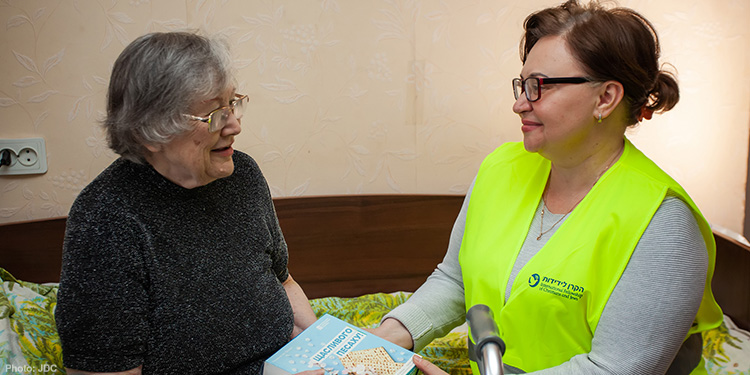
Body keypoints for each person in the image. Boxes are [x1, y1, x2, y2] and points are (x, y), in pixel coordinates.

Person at [371, 1, 723, 374]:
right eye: (522, 85)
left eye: (538, 86)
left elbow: (613, 369)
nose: (519, 104)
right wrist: (386, 336)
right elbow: (455, 281)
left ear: (605, 98)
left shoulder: (663, 224)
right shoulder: (501, 168)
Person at [56, 31, 321, 375]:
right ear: (150, 131)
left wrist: (324, 355)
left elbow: (282, 281)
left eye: (232, 104)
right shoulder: (106, 221)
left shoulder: (243, 175)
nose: (235, 125)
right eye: (213, 115)